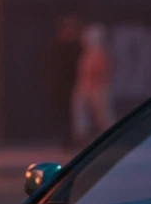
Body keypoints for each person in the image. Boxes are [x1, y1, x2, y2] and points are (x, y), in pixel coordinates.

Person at [70, 23, 112, 145]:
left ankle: (111, 136)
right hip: (84, 86)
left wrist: (94, 82)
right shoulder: (87, 54)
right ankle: (81, 136)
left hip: (97, 88)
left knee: (103, 114)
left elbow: (102, 72)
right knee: (81, 113)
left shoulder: (100, 53)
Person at [46, 15, 83, 146]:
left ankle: (75, 138)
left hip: (76, 85)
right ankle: (66, 139)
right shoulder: (56, 46)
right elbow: (50, 67)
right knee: (63, 113)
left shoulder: (77, 46)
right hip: (60, 86)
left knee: (76, 114)